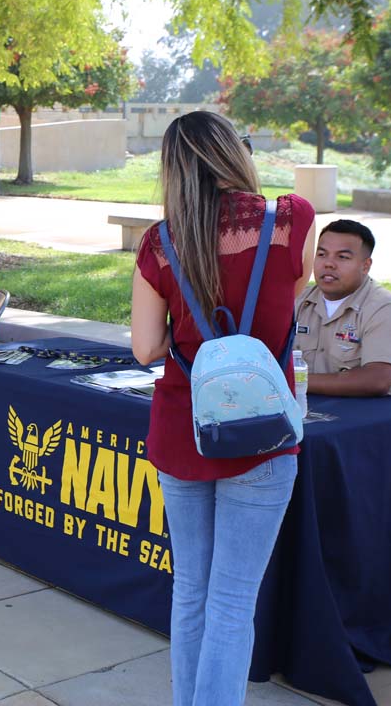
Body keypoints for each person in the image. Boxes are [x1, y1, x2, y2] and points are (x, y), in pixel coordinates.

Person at [130, 111, 315, 706]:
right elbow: (295, 288)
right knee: (234, 602)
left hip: (184, 430)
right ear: (235, 152)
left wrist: (192, 334)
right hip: (263, 431)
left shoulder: (160, 242)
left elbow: (145, 349)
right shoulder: (289, 219)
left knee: (190, 592)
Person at [294, 219, 391, 398]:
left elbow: (376, 380)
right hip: (308, 409)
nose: (328, 263)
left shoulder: (386, 309)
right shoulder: (298, 300)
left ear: (365, 266)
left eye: (342, 257)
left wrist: (294, 381)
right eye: (321, 254)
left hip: (371, 416)